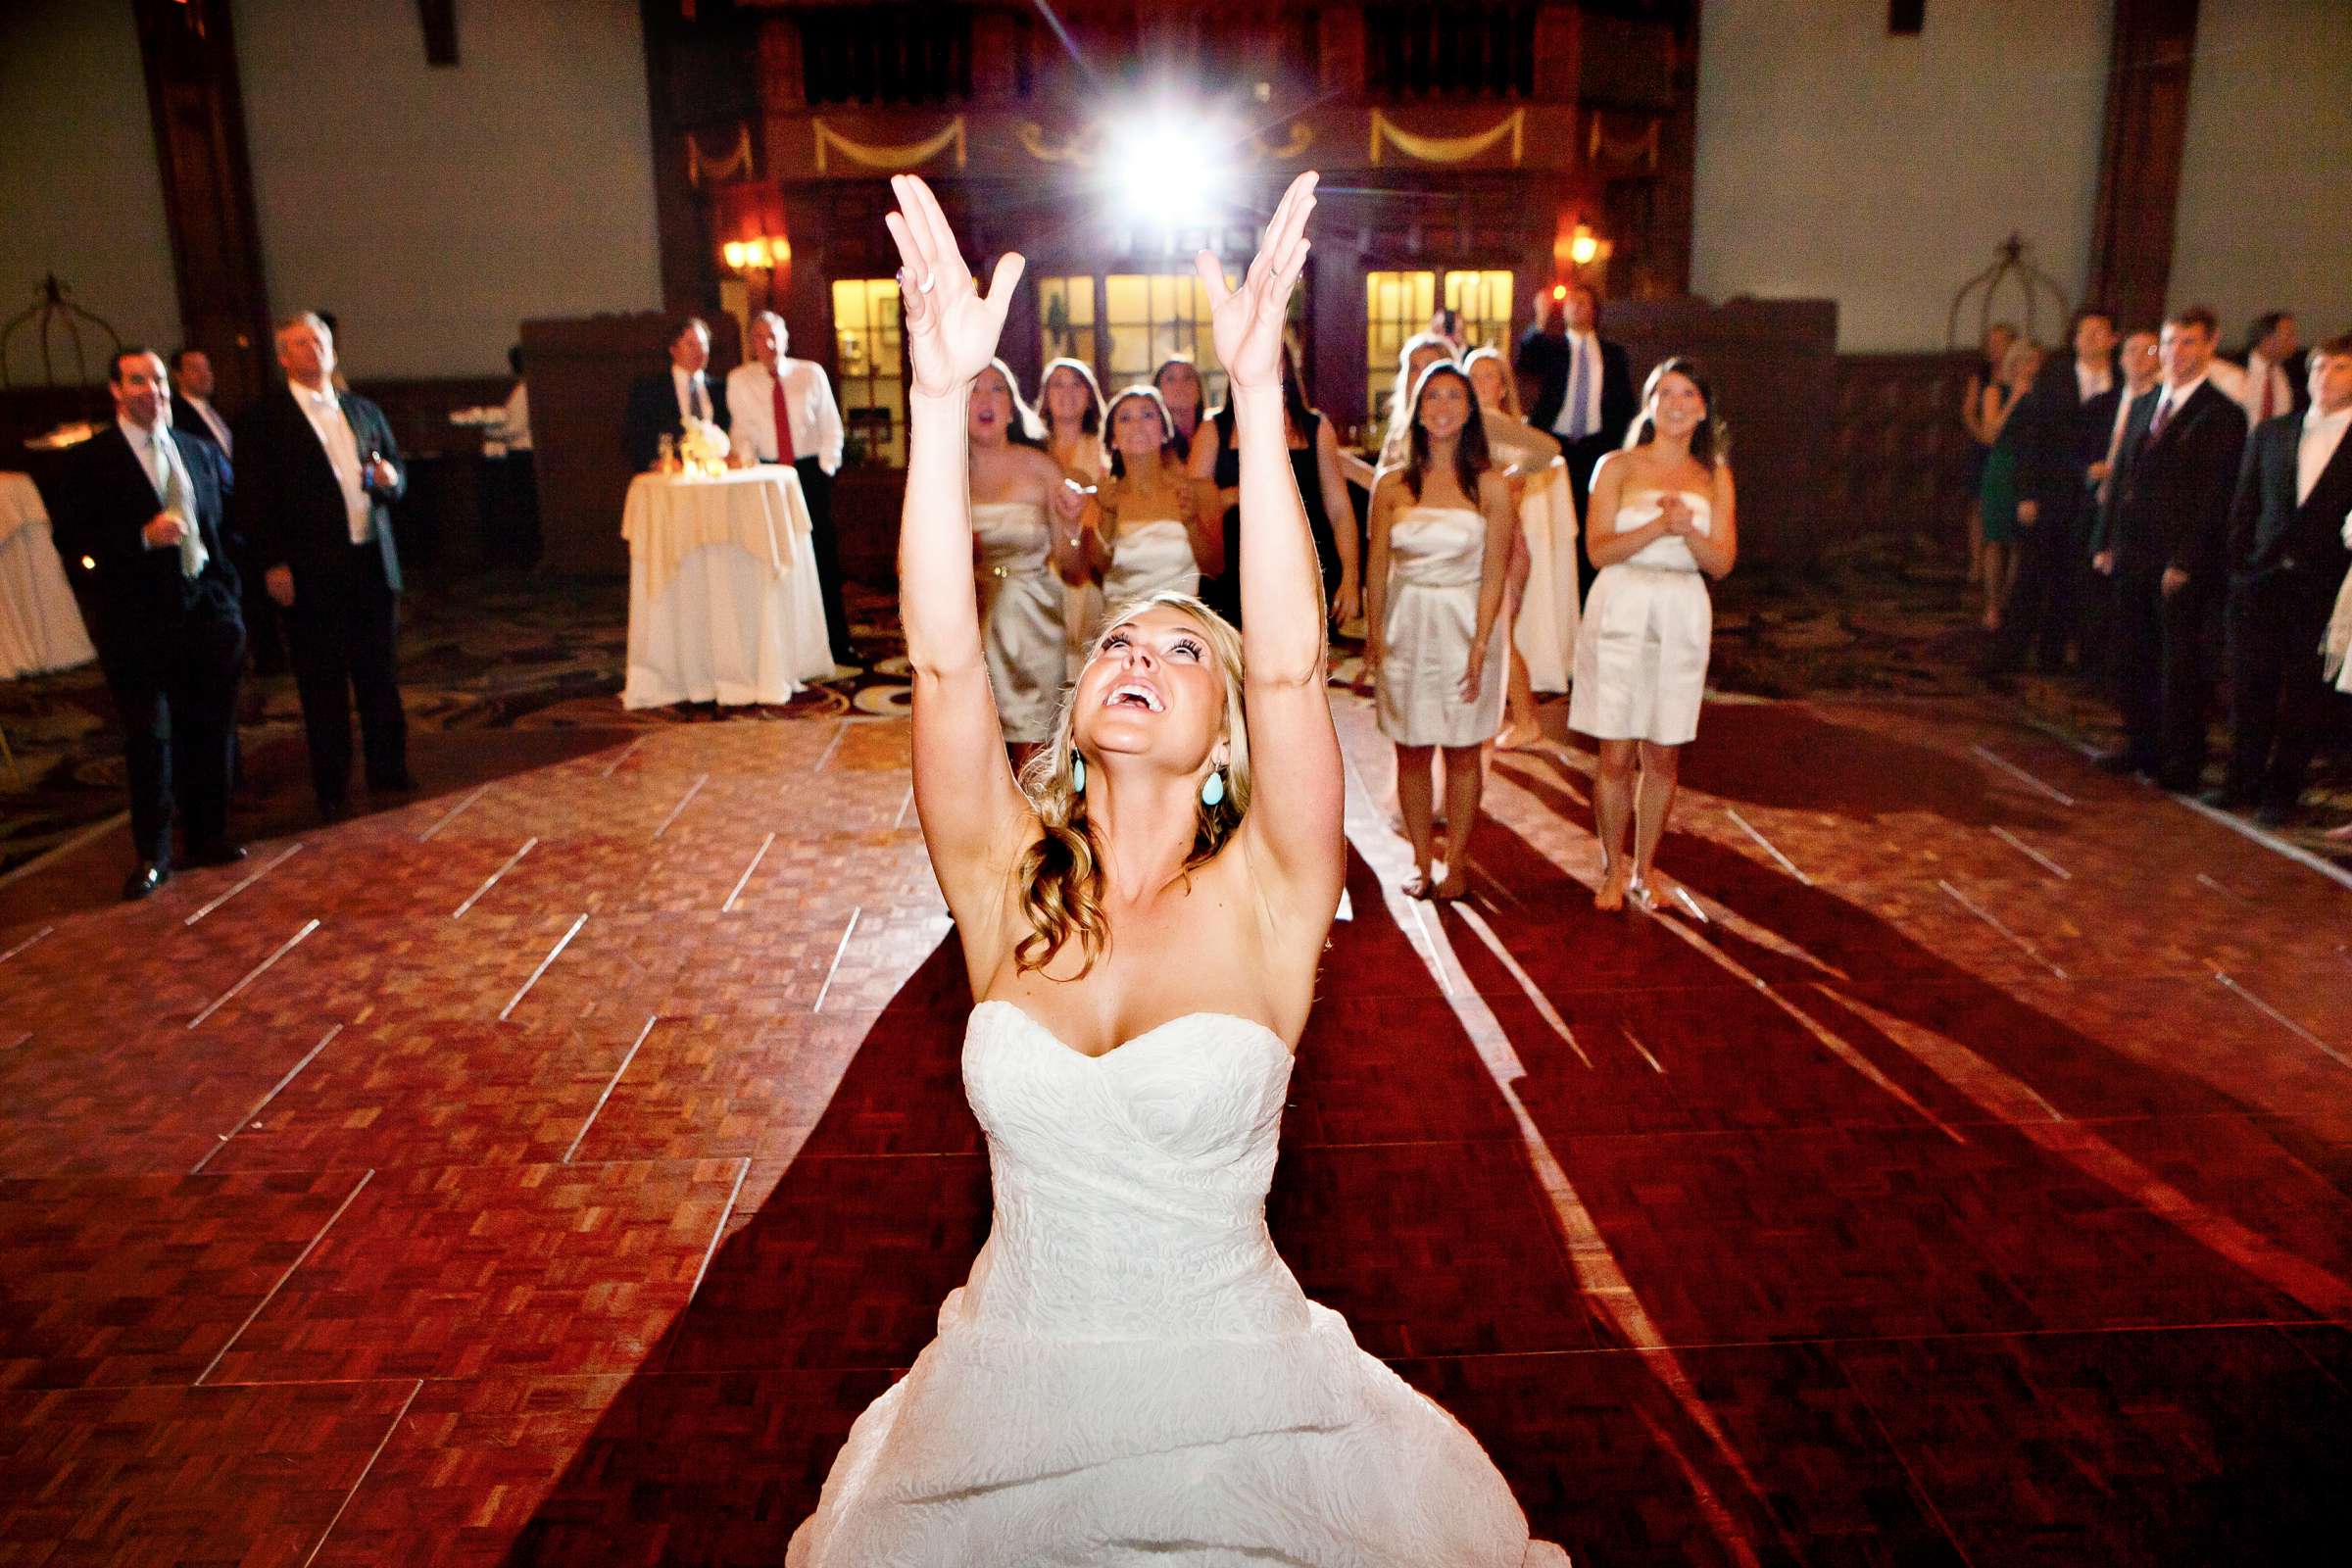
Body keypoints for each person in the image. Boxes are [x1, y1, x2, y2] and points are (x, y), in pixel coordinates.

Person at [787, 169, 1567, 1565]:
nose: (1140, 654)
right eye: (1118, 647)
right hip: (1000, 1408)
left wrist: (1259, 404)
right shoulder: (1003, 878)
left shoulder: (1274, 895)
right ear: (1080, 715)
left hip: (1238, 1415)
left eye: (1177, 652)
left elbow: (1285, 655)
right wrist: (937, 405)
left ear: (1227, 740)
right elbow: (947, 654)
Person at [53, 349, 246, 899]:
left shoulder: (197, 451)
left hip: (206, 613)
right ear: (116, 390)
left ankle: (208, 834)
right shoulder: (88, 461)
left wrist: (228, 596)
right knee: (151, 738)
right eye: (138, 381)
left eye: (158, 380)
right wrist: (140, 538)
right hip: (136, 623)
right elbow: (73, 545)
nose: (151, 390)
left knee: (208, 729)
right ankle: (153, 853)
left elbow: (229, 527)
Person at [1569, 357, 1738, 911]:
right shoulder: (1616, 466)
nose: (1677, 403)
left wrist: (1687, 531)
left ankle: (1646, 868)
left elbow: (1721, 564)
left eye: (1689, 394)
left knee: (1663, 753)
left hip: (1682, 608)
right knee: (1616, 753)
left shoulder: (1714, 477)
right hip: (1622, 602)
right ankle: (1611, 869)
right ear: (1650, 403)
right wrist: (1656, 526)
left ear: (1704, 409)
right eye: (1666, 393)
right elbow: (1597, 550)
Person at [234, 311, 412, 820]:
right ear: (284, 356)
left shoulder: (362, 409)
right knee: (322, 682)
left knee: (380, 673)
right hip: (310, 569)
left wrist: (388, 480)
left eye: (321, 341)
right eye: (301, 344)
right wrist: (273, 563)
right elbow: (253, 500)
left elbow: (398, 472)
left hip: (371, 562)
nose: (314, 351)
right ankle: (332, 783)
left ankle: (389, 770)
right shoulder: (263, 421)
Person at [1365, 361, 1514, 901]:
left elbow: (1495, 572)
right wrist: (1376, 638)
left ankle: (1457, 862)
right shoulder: (1391, 486)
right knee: (1410, 747)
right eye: (1432, 398)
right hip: (1407, 625)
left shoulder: (1492, 487)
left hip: (1465, 624)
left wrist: (1480, 645)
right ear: (1417, 409)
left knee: (1462, 750)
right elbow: (1377, 567)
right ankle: (1419, 862)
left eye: (1454, 396)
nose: (1443, 407)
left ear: (1470, 409)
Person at [2090, 305, 2250, 791]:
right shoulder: (2146, 403)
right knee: (2132, 650)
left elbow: (2216, 496)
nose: (2176, 354)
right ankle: (2139, 743)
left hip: (2178, 559)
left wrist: (2186, 559)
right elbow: (2121, 478)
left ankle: (2180, 758)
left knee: (2180, 661)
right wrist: (2105, 539)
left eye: (2188, 343)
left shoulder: (2221, 415)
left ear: (2209, 346)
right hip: (2133, 550)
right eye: (2170, 343)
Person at [2213, 334, 2352, 823]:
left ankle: (2282, 790)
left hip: (2323, 586)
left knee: (2304, 695)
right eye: (2318, 366)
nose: (2324, 376)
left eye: (2339, 367)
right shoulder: (2272, 433)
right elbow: (2245, 505)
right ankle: (2242, 778)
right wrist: (2241, 567)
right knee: (2251, 685)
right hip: (2262, 581)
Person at [1190, 338, 1359, 631]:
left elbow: (1340, 509)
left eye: (1272, 357)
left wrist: (1351, 577)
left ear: (1287, 366)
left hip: (1306, 573)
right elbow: (1192, 509)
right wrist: (1233, 495)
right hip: (1236, 578)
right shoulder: (1213, 431)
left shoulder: (1316, 428)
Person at [968, 358, 1085, 759]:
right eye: (974, 389)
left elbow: (1071, 568)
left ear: (1012, 405)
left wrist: (1070, 527)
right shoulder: (943, 473)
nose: (986, 399)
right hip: (970, 624)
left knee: (1033, 749)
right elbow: (907, 568)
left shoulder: (1041, 467)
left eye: (997, 388)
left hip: (1034, 621)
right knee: (975, 749)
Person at [727, 310, 856, 667]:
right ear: (751, 343)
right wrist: (751, 469)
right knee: (772, 560)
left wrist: (826, 468)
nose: (767, 343)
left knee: (820, 558)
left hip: (809, 473)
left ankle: (836, 643)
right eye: (758, 337)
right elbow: (741, 432)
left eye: (773, 335)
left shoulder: (810, 373)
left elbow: (832, 426)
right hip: (766, 474)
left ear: (786, 338)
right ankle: (780, 650)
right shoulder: (740, 380)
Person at [1999, 308, 2120, 671]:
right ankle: (2011, 653)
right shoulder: (2053, 379)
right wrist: (2026, 494)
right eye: (2085, 332)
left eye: (2100, 331)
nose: (2091, 338)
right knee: (2031, 576)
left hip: (2093, 500)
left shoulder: (2121, 386)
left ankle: (2054, 655)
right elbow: (2032, 439)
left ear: (2114, 339)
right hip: (2050, 493)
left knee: (2073, 579)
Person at [1466, 345, 1564, 749]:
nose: (1481, 383)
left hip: (1502, 542)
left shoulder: (1499, 427)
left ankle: (1526, 719)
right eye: (1474, 375)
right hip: (1477, 539)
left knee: (1497, 630)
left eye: (1490, 375)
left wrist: (1509, 481)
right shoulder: (1470, 426)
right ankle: (1495, 718)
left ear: (1504, 386)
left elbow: (1548, 453)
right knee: (1485, 630)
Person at [1515, 281, 1636, 583]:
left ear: (1595, 312)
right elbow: (1525, 362)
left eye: (1584, 302)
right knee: (1553, 515)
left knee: (1589, 517)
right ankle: (1552, 581)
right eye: (1571, 302)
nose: (1577, 306)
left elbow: (1624, 403)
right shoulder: (1554, 348)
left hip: (1596, 448)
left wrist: (1624, 447)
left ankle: (1585, 586)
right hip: (1555, 446)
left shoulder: (1612, 353)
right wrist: (1540, 319)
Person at [1071, 384, 1224, 610]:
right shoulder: (1102, 498)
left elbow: (1215, 568)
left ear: (1164, 432)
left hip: (1180, 622)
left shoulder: (1197, 492)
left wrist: (1191, 522)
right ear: (1113, 439)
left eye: (1147, 415)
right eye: (1125, 418)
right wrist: (1109, 515)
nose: (1137, 424)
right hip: (1124, 624)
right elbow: (1096, 571)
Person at [1040, 356, 1107, 676]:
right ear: (1046, 396)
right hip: (1040, 563)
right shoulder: (1033, 450)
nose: (1067, 393)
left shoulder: (1103, 448)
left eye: (1076, 384)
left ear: (1089, 395)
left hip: (1088, 564)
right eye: (1058, 384)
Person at [1974, 339, 2043, 632]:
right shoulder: (1994, 391)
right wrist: (2014, 398)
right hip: (2001, 467)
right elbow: (1991, 433)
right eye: (2025, 361)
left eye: (2035, 362)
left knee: (2019, 541)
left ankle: (2009, 603)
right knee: (1995, 539)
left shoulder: (2043, 393)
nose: (2030, 367)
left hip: (2029, 467)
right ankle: (1991, 604)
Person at [1341, 330, 1455, 490]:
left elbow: (1416, 491)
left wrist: (1355, 470)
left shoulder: (1449, 428)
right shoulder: (1399, 430)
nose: (1421, 375)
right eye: (1414, 368)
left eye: (1429, 367)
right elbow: (1385, 488)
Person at [622, 315, 728, 473]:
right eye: (690, 344)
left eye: (703, 344)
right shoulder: (650, 388)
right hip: (669, 477)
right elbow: (634, 437)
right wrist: (656, 463)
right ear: (673, 350)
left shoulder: (720, 388)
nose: (698, 351)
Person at [1961, 321, 2021, 585]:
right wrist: (1982, 437)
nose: (1995, 349)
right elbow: (1968, 412)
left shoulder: (2020, 378)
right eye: (1991, 343)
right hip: (1984, 446)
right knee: (1977, 504)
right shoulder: (1982, 377)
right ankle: (1976, 562)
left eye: (2001, 343)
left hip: (2011, 447)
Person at [2224, 311, 2307, 426]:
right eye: (2289, 335)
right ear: (2267, 339)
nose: (2295, 342)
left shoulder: (2296, 371)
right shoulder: (2232, 367)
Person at [1151, 354, 1208, 462]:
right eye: (1171, 379)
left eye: (1188, 377)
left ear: (1199, 390)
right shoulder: (1152, 441)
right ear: (1158, 391)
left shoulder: (1216, 431)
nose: (1180, 385)